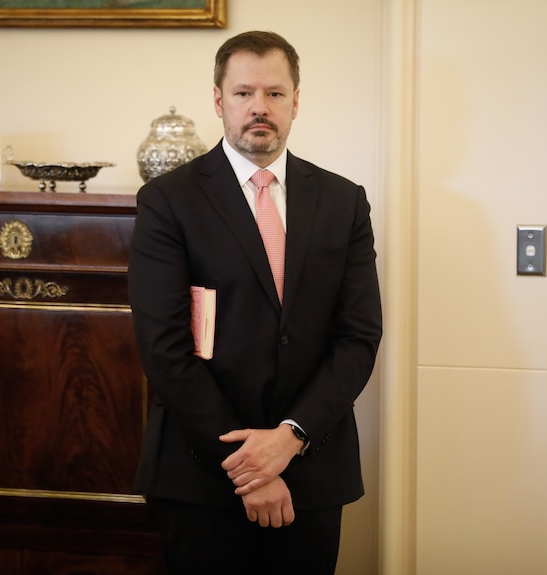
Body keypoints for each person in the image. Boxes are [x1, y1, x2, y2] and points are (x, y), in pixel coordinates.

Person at [128, 30, 383, 574]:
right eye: (244, 93)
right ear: (219, 101)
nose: (259, 108)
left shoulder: (344, 201)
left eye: (275, 93)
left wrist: (291, 438)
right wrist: (250, 468)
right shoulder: (168, 202)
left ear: (296, 102)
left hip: (311, 470)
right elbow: (165, 347)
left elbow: (358, 337)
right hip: (201, 473)